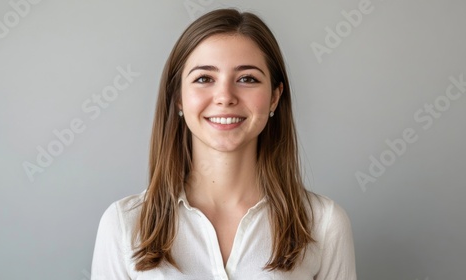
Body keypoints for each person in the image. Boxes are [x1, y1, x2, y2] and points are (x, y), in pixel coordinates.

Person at [91, 8, 356, 280]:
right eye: (204, 78)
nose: (225, 96)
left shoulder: (324, 224)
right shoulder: (124, 224)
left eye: (247, 79)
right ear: (178, 97)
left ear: (275, 97)